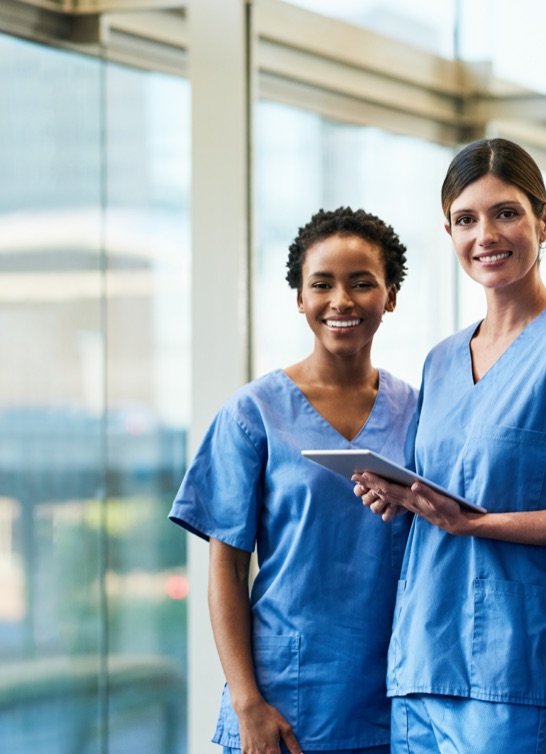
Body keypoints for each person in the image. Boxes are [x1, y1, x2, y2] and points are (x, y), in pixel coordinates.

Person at [352, 137, 546, 753]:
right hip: (422, 663)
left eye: (506, 213)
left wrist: (478, 524)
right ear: (449, 232)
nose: (486, 234)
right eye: (466, 219)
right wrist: (402, 497)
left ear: (544, 220)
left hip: (515, 668)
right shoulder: (441, 360)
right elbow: (452, 488)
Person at [169, 206, 419, 754]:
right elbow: (228, 569)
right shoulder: (254, 413)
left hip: (397, 699)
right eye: (322, 285)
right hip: (285, 705)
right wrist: (246, 702)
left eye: (362, 284)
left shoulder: (418, 411)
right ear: (300, 299)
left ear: (391, 295)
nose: (341, 301)